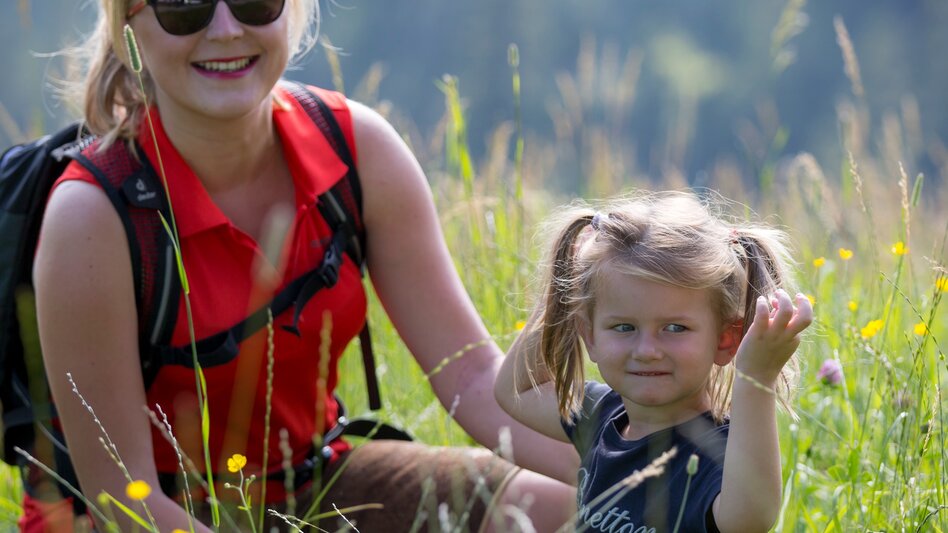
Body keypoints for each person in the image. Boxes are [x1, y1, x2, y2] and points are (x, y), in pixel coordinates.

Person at [27, 0, 577, 531]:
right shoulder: (93, 216)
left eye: (254, 1)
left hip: (313, 487)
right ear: (130, 24)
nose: (224, 29)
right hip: (152, 512)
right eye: (184, 5)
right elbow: (122, 500)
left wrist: (631, 472)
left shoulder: (356, 149)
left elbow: (475, 377)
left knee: (568, 509)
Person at [495, 191, 813, 533]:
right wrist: (565, 291)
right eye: (623, 327)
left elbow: (750, 521)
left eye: (675, 328)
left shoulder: (719, 451)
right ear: (590, 336)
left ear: (726, 339)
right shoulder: (599, 415)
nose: (646, 349)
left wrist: (757, 376)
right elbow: (515, 390)